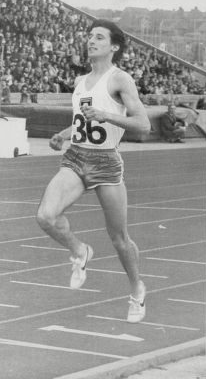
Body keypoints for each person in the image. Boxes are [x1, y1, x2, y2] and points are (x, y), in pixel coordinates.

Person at [36, 19, 151, 323]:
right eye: (89, 36)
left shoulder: (120, 79)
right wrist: (63, 134)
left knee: (119, 237)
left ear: (113, 47)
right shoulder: (79, 82)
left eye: (99, 37)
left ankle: (137, 289)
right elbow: (82, 124)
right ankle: (80, 250)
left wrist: (106, 116)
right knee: (45, 217)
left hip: (105, 162)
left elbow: (144, 125)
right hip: (76, 157)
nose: (91, 41)